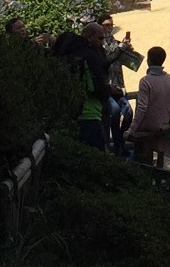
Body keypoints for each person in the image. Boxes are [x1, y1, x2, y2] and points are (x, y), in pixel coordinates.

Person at [54, 23, 114, 152]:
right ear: (89, 37)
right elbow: (96, 87)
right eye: (100, 38)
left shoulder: (67, 54)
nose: (102, 42)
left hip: (68, 113)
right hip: (89, 113)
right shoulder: (89, 55)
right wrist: (108, 90)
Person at [96, 12, 142, 158]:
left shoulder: (117, 44)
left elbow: (133, 65)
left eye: (111, 25)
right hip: (106, 87)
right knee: (115, 112)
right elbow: (107, 59)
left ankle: (120, 142)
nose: (109, 28)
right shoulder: (98, 46)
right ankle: (117, 148)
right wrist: (120, 49)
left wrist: (130, 52)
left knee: (128, 113)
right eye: (106, 25)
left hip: (119, 86)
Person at [130, 45, 170, 167]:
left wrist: (131, 129)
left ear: (148, 61)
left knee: (141, 158)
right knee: (163, 162)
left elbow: (142, 108)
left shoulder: (145, 81)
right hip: (166, 125)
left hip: (149, 127)